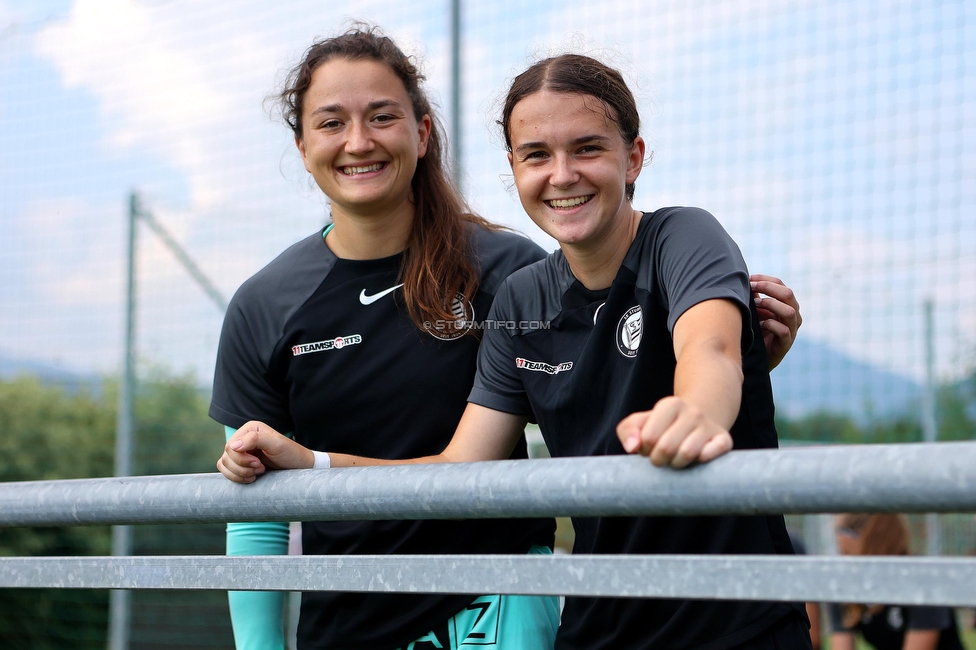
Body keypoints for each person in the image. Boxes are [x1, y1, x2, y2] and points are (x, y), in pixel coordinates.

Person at [219, 51, 809, 650]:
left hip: (731, 624)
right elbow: (460, 471)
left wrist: (703, 407)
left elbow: (707, 352)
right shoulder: (523, 296)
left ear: (633, 156)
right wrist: (309, 465)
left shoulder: (676, 237)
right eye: (537, 155)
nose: (562, 174)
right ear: (513, 167)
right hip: (595, 629)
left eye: (587, 148)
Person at [830, 514, 965, 650]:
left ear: (877, 545)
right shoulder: (845, 584)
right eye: (842, 553)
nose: (845, 563)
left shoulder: (923, 578)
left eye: (849, 554)